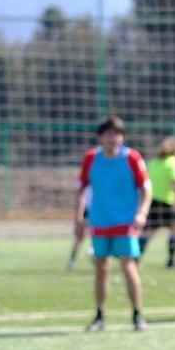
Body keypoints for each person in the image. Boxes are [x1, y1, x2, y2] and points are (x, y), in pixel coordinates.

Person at [73, 115, 152, 332]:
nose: (114, 139)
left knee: (128, 265)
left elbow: (146, 189)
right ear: (101, 137)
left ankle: (137, 314)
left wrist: (141, 214)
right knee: (101, 269)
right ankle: (99, 315)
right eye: (109, 134)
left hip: (126, 223)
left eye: (117, 135)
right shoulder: (91, 158)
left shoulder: (132, 158)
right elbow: (80, 190)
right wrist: (79, 220)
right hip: (99, 222)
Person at [139, 136, 175, 268]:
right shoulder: (174, 163)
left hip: (153, 203)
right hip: (169, 203)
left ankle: (135, 260)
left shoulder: (154, 163)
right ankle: (171, 261)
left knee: (147, 232)